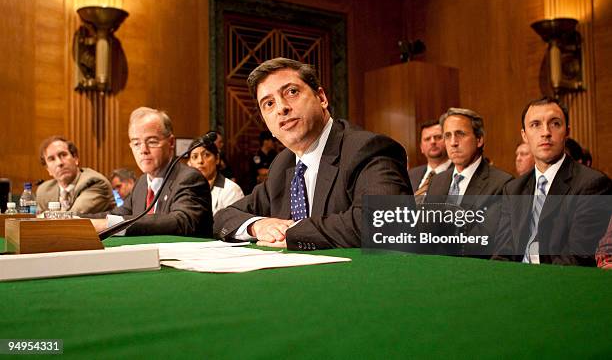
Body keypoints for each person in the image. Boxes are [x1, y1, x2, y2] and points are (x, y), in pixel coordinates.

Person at [213, 58, 412, 250]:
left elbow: (387, 222)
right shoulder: (282, 165)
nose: (282, 108)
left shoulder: (367, 149)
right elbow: (224, 216)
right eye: (269, 103)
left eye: (292, 92)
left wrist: (295, 233)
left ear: (322, 98)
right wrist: (258, 226)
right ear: (267, 125)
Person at [493, 97, 612, 266]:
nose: (546, 132)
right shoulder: (513, 189)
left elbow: (577, 258)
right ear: (524, 135)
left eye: (555, 124)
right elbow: (502, 253)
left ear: (567, 132)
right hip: (514, 282)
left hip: (559, 284)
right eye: (535, 125)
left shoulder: (593, 184)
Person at [91, 107, 213, 237]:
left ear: (171, 143)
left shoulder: (189, 178)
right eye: (136, 143)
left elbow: (181, 222)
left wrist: (109, 225)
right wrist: (74, 219)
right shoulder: (142, 182)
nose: (143, 150)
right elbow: (116, 215)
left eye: (152, 142)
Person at [424, 107, 513, 256]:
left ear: (479, 139)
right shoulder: (437, 181)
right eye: (447, 135)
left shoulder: (502, 184)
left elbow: (482, 242)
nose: (453, 143)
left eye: (460, 134)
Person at [36, 136, 114, 214]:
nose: (59, 163)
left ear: (75, 158)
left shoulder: (95, 182)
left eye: (63, 155)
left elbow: (73, 217)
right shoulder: (44, 191)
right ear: (48, 169)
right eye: (52, 159)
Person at [187, 137, 244, 215]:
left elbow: (235, 224)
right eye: (195, 157)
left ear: (217, 158)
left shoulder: (231, 190)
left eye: (206, 155)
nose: (200, 161)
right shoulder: (185, 188)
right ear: (189, 163)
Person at [408, 119, 451, 197]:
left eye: (438, 137)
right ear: (421, 147)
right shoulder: (411, 175)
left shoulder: (458, 172)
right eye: (427, 139)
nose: (432, 142)